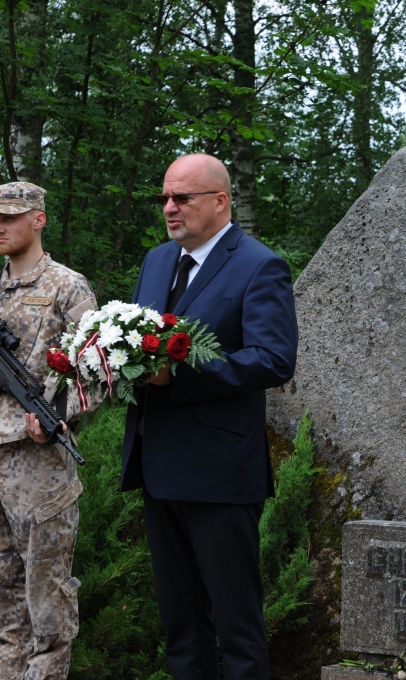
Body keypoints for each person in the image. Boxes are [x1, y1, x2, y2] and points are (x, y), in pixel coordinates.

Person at [120, 153, 298, 680]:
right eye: (164, 199)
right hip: (157, 465)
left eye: (182, 198)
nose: (169, 209)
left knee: (237, 629)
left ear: (220, 202)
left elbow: (273, 359)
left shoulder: (259, 265)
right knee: (181, 626)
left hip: (220, 473)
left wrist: (180, 375)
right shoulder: (156, 261)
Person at [0, 182, 99, 678]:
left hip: (39, 464)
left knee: (46, 612)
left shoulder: (69, 287)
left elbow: (97, 374)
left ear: (39, 219)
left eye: (10, 217)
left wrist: (62, 415)